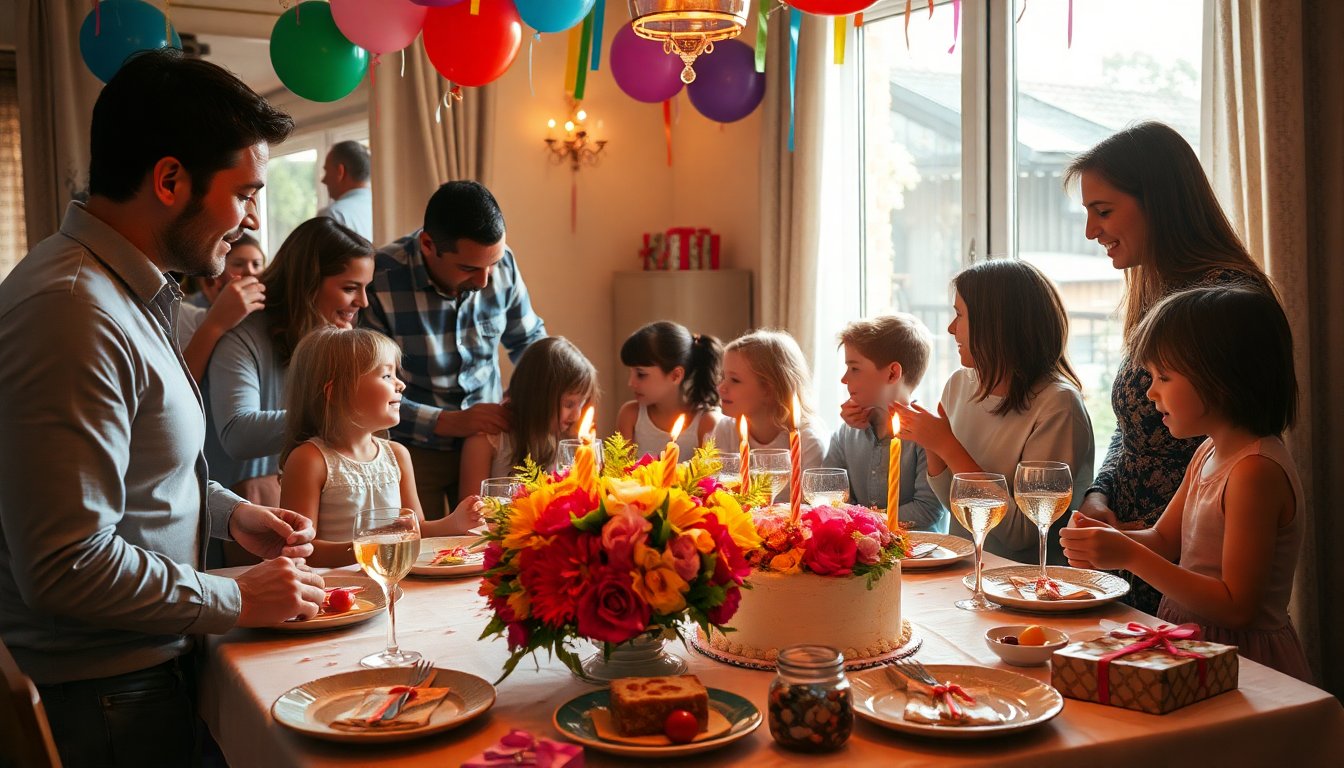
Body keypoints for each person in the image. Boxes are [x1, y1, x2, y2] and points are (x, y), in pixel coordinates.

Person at [0, 49, 323, 768]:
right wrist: (236, 598)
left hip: (138, 674)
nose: (248, 225)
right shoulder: (73, 311)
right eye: (243, 194)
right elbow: (64, 564)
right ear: (170, 179)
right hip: (106, 697)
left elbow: (133, 472)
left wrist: (229, 512)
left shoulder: (132, 291)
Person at [1064, 121, 1273, 613]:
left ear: (1158, 201)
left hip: (1191, 563)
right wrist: (1101, 494)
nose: (1092, 231)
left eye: (1104, 211)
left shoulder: (1223, 300)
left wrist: (1148, 540)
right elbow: (1134, 422)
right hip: (1138, 547)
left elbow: (1234, 432)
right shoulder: (1150, 287)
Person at [1061, 285, 1310, 681]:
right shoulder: (1208, 452)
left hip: (1243, 660)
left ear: (1221, 379)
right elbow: (1163, 541)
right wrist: (1104, 543)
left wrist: (1128, 555)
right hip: (1193, 644)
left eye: (1164, 376)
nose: (1150, 391)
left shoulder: (1255, 471)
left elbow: (1237, 606)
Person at [364, 181, 547, 519]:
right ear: (429, 245)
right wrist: (447, 421)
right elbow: (369, 385)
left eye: (492, 264)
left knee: (494, 546)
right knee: (421, 554)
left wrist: (531, 392)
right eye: (468, 268)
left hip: (490, 440)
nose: (484, 281)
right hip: (414, 448)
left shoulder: (501, 264)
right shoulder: (380, 277)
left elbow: (528, 339)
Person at [898, 260, 1094, 564]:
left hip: (1029, 583)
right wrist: (933, 445)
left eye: (960, 315)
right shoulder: (960, 385)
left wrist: (947, 445)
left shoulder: (1058, 405)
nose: (951, 328)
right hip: (967, 569)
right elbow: (958, 509)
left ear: (996, 324)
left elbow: (1022, 535)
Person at [278, 328, 484, 567]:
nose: (400, 385)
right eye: (387, 376)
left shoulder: (397, 455)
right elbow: (301, 549)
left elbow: (415, 530)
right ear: (335, 393)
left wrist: (454, 523)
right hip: (331, 592)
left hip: (392, 584)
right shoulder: (309, 460)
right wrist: (375, 545)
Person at [208, 217, 375, 508]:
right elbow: (237, 434)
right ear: (307, 283)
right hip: (242, 504)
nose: (363, 301)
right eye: (350, 288)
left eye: (365, 288)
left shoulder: (336, 339)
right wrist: (336, 413)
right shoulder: (244, 332)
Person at [824, 314, 946, 531]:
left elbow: (927, 509)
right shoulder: (847, 433)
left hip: (918, 557)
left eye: (854, 368)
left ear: (892, 374)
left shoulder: (927, 436)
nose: (844, 378)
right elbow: (827, 495)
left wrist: (861, 519)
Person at [460, 337, 599, 497]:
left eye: (580, 404)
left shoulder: (568, 442)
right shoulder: (487, 440)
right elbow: (470, 509)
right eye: (568, 404)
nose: (576, 415)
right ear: (538, 396)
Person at [709, 330, 827, 483]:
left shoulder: (808, 441)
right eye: (723, 377)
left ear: (769, 389)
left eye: (735, 380)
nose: (721, 388)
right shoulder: (725, 430)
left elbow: (812, 504)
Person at [617, 321, 723, 457]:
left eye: (641, 374)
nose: (631, 383)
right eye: (630, 372)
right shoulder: (630, 416)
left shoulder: (706, 423)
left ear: (675, 375)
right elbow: (621, 474)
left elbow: (705, 476)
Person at [177, 231, 267, 382]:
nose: (249, 271)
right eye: (238, 264)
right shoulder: (186, 313)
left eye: (256, 264)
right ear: (218, 271)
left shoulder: (262, 318)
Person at [316, 139, 373, 241]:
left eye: (327, 171)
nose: (323, 180)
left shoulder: (331, 216)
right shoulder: (382, 209)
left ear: (340, 171)